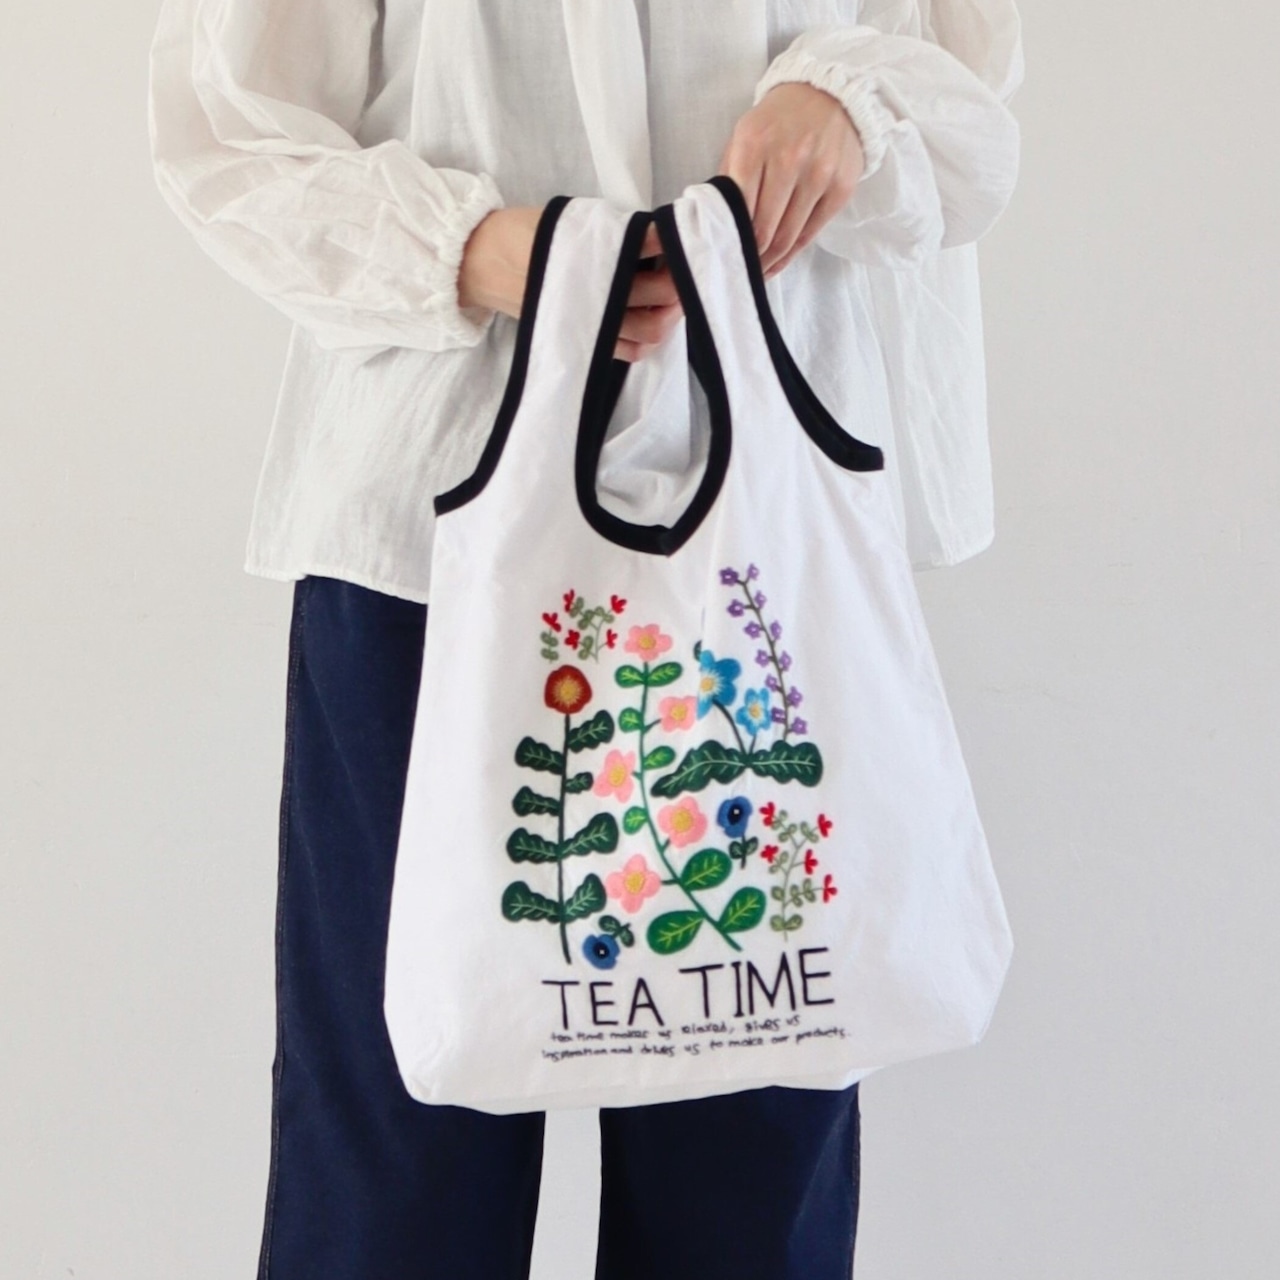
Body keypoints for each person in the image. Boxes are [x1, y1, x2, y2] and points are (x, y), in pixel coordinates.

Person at [147, 2, 1023, 1277]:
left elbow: (965, 87)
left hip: (769, 546)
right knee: (396, 1168)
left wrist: (849, 102)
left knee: (748, 1156)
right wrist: (474, 250)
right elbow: (230, 129)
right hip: (430, 535)